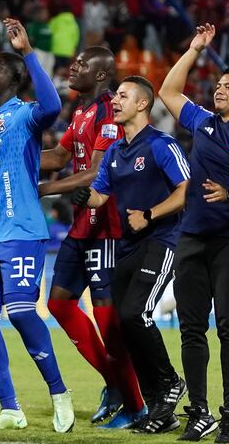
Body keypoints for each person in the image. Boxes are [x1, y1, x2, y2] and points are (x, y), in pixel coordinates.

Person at [157, 24, 229, 444]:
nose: (219, 90)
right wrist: (193, 50)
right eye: (218, 84)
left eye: (228, 87)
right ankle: (200, 413)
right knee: (191, 329)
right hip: (191, 238)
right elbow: (168, 92)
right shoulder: (203, 123)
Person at [0, 18, 73, 433]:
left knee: (24, 311)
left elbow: (52, 107)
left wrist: (28, 51)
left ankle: (59, 393)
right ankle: (10, 408)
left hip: (21, 231)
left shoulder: (25, 115)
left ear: (14, 79)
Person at [75, 76, 189, 434]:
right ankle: (160, 407)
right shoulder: (114, 151)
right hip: (127, 245)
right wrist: (78, 195)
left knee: (134, 312)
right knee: (123, 323)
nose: (115, 101)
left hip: (161, 240)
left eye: (124, 96)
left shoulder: (161, 144)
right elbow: (99, 195)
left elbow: (187, 189)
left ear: (143, 104)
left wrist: (150, 214)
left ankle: (170, 382)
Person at [38, 46, 141, 426]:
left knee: (106, 319)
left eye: (82, 65)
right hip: (82, 224)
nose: (72, 67)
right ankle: (115, 383)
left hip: (107, 226)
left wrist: (44, 189)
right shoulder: (81, 112)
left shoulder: (107, 112)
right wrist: (12, 154)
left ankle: (136, 406)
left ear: (101, 75)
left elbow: (98, 173)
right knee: (61, 305)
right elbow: (60, 158)